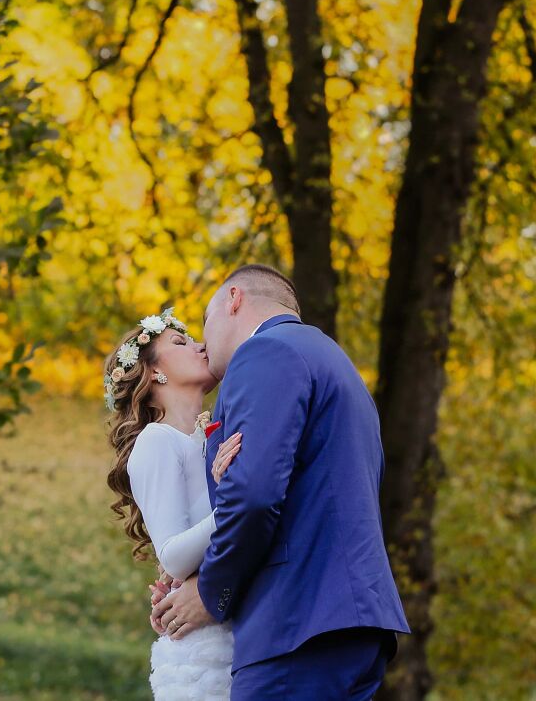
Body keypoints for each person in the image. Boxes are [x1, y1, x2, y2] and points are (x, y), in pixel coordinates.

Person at [152, 265, 410, 698]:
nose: (203, 341)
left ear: (234, 299)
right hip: (349, 622)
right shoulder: (335, 362)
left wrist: (210, 592)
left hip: (295, 623)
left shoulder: (266, 352)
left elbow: (253, 496)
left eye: (205, 322)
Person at [104, 308, 237, 700]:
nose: (201, 346)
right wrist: (237, 503)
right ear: (154, 373)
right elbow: (175, 557)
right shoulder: (156, 441)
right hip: (205, 657)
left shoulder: (211, 439)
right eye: (181, 343)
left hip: (236, 633)